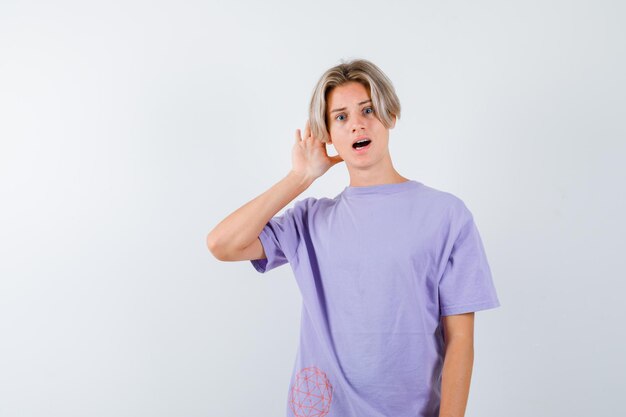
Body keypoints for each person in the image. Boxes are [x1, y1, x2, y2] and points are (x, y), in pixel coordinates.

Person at [206, 58, 501, 417]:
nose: (357, 124)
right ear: (327, 134)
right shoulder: (309, 220)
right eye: (341, 116)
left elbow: (460, 341)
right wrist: (300, 177)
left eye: (368, 110)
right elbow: (222, 244)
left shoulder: (446, 215)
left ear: (390, 115)